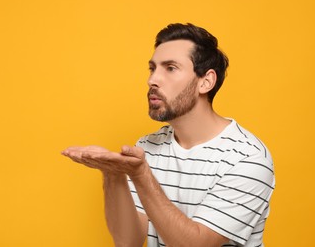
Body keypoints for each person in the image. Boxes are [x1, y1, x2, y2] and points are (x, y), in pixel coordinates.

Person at [61, 23, 275, 247]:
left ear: (206, 81)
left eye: (170, 68)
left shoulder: (248, 159)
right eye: (152, 68)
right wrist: (112, 175)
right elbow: (128, 241)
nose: (152, 80)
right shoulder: (147, 147)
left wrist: (140, 173)